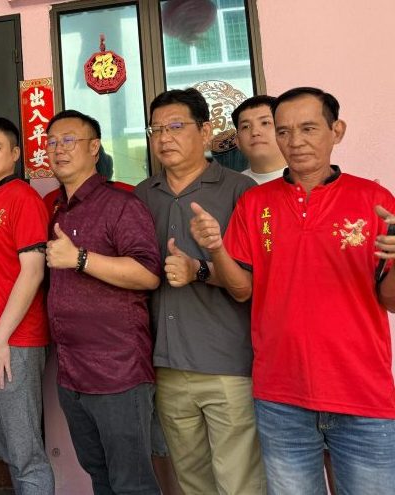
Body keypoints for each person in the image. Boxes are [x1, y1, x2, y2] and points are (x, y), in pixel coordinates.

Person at [190, 87, 395, 494]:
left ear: (337, 131)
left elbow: (390, 300)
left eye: (308, 128)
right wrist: (215, 248)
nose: (295, 141)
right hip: (281, 396)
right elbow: (241, 290)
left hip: (362, 393)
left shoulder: (372, 199)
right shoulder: (256, 204)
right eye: (284, 131)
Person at [134, 88, 264, 494]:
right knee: (192, 482)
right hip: (167, 364)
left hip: (226, 364)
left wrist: (199, 269)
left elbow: (251, 283)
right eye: (156, 129)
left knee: (239, 483)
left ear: (205, 132)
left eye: (176, 126)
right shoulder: (142, 195)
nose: (164, 138)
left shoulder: (239, 190)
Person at [44, 110, 161, 494]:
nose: (59, 149)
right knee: (99, 474)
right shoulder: (58, 207)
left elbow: (147, 273)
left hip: (117, 372)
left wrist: (80, 258)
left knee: (132, 483)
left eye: (69, 140)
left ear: (94, 148)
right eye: (52, 142)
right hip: (72, 373)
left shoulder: (121, 205)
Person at [0, 118, 53, 494]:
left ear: (16, 153)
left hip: (14, 340)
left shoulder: (23, 198)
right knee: (4, 443)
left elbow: (32, 272)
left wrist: (0, 338)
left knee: (25, 451)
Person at [233, 95, 287, 184]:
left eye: (265, 123)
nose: (254, 132)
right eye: (246, 126)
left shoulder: (308, 179)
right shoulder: (232, 187)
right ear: (237, 141)